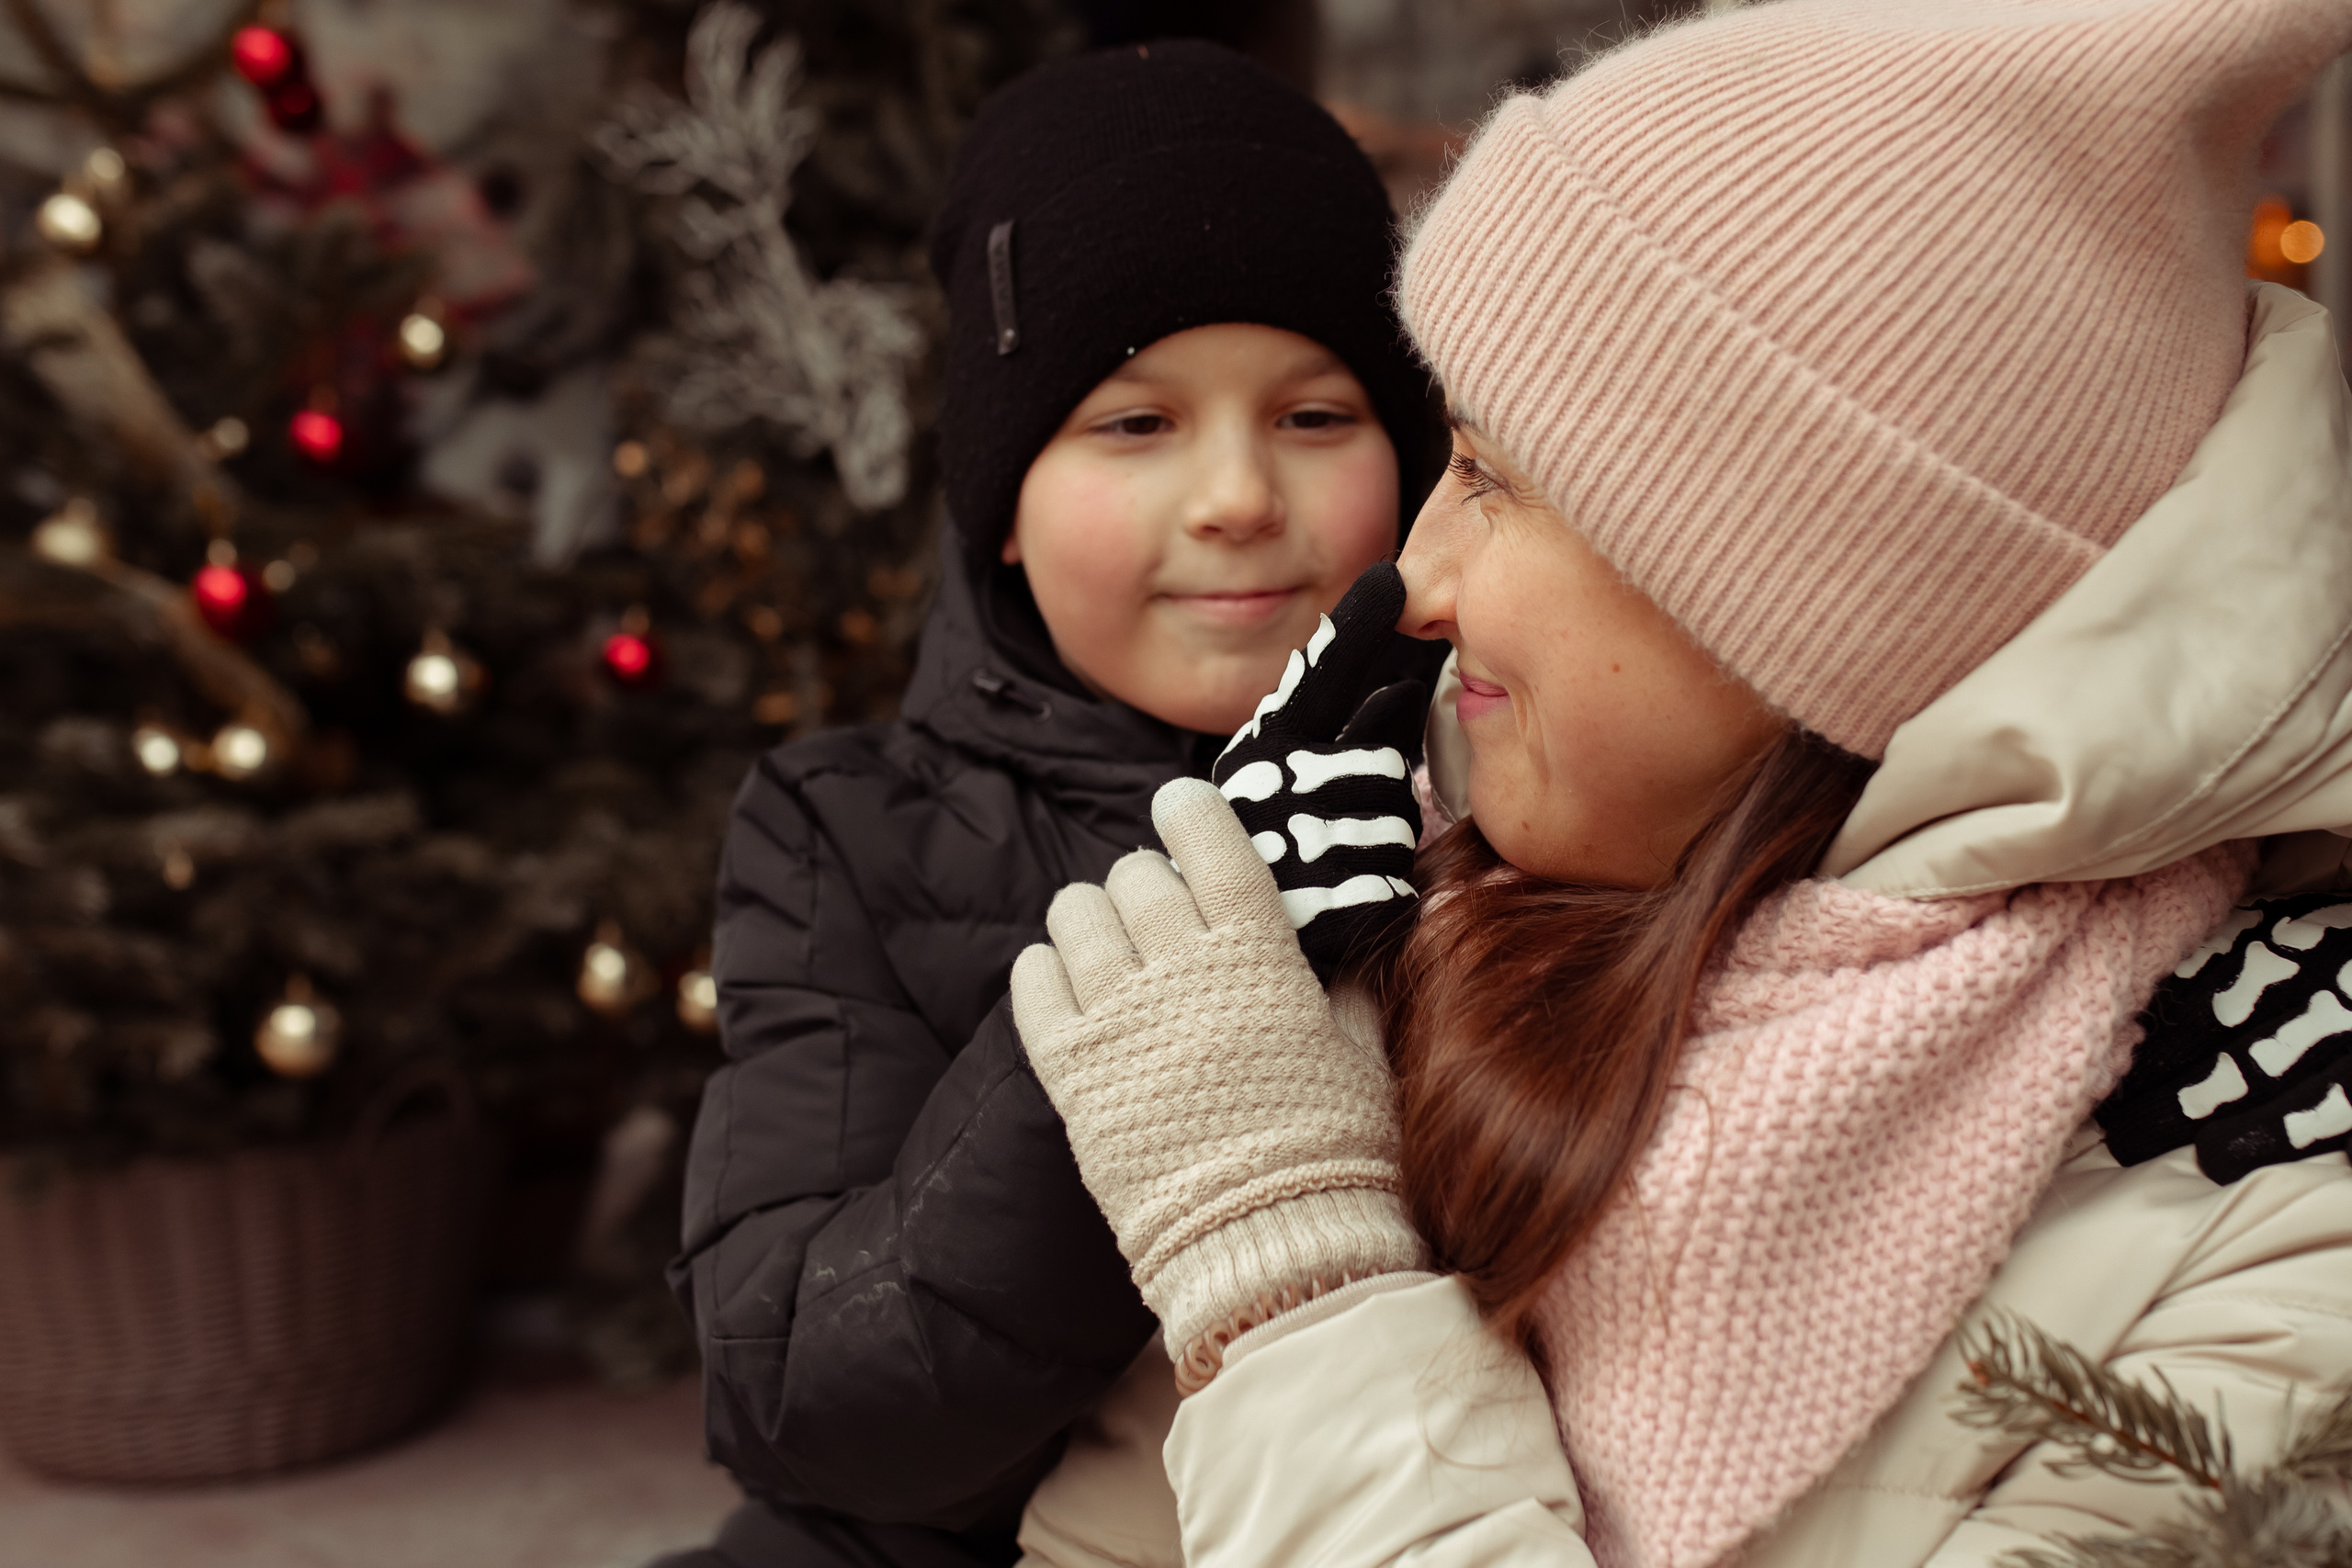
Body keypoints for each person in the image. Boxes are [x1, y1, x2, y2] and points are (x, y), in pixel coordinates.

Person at [1004, 3, 2352, 1565]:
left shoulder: (2271, 1208)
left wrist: (1296, 1284)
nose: (1414, 575)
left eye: (1499, 481)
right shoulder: (1410, 906)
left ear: (1817, 608)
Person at [659, 39, 1442, 1568]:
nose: (1233, 494)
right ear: (1001, 511)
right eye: (1136, 423)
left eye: (1316, 415)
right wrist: (1156, 1016)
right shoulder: (845, 834)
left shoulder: (1495, 781)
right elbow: (798, 1399)